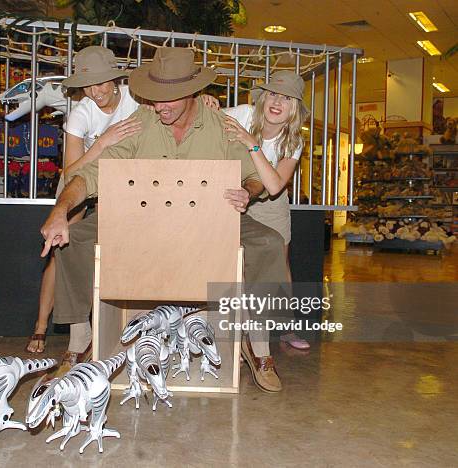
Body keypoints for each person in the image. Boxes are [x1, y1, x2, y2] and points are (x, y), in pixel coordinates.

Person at [40, 47, 289, 393]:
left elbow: (255, 176)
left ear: (192, 93)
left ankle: (257, 345)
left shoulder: (221, 125)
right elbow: (90, 176)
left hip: (211, 217)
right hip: (141, 219)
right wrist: (59, 211)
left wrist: (247, 190)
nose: (160, 106)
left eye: (169, 98)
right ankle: (80, 340)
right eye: (156, 98)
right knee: (75, 239)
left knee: (269, 243)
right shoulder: (140, 122)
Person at [26, 46, 142, 354]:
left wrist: (206, 101)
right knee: (60, 244)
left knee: (116, 243)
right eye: (89, 84)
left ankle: (115, 324)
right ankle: (40, 326)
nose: (96, 90)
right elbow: (70, 170)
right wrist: (102, 142)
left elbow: (174, 106)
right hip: (81, 177)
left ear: (115, 80)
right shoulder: (81, 112)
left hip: (120, 182)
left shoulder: (137, 97)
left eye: (103, 82)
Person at [224, 70, 311, 351]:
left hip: (270, 204)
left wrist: (252, 144)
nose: (278, 102)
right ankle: (239, 327)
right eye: (273, 93)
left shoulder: (293, 141)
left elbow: (274, 186)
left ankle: (285, 326)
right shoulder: (242, 114)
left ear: (294, 109)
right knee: (234, 261)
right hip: (233, 192)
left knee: (279, 261)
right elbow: (202, 120)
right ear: (263, 98)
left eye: (287, 98)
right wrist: (208, 105)